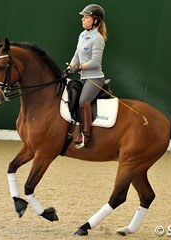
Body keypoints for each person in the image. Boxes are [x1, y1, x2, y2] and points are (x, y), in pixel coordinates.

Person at [67, 4, 108, 149]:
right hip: (83, 77)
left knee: (84, 100)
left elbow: (95, 62)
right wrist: (71, 67)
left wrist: (80, 67)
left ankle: (86, 135)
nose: (83, 19)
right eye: (83, 17)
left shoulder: (97, 38)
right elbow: (77, 55)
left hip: (95, 78)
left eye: (86, 17)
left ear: (95, 21)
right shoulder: (82, 35)